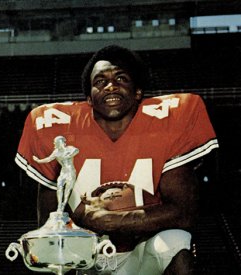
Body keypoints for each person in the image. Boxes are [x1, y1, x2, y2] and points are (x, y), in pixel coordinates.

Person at [15, 45, 219, 274]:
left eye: (121, 78)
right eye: (100, 81)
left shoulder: (167, 124)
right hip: (84, 256)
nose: (111, 86)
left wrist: (114, 220)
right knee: (52, 256)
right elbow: (48, 226)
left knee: (177, 242)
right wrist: (82, 223)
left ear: (138, 92)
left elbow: (184, 214)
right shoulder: (56, 129)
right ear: (89, 98)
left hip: (140, 253)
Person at [32, 136, 79, 213]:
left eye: (56, 142)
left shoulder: (69, 148)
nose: (54, 143)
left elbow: (76, 150)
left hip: (70, 172)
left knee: (68, 189)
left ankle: (64, 204)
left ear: (60, 142)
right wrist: (38, 161)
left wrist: (71, 154)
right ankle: (59, 204)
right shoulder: (56, 152)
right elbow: (48, 159)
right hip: (63, 172)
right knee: (59, 186)